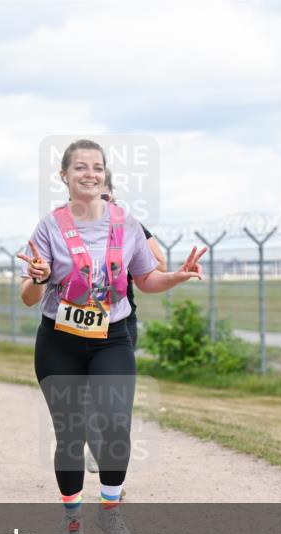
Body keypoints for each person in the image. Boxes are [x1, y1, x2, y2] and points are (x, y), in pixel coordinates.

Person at [19, 139, 206, 534]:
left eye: (97, 167)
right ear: (64, 176)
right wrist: (39, 277)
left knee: (117, 424)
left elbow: (147, 280)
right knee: (70, 433)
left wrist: (176, 276)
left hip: (112, 337)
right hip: (59, 340)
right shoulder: (49, 227)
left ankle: (109, 509)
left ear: (105, 175)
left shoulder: (127, 223)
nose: (90, 174)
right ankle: (72, 519)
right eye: (80, 167)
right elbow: (28, 297)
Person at [86, 169, 166, 476]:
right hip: (76, 320)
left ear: (112, 194)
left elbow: (160, 263)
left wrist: (125, 253)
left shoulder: (127, 224)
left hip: (119, 320)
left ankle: (112, 464)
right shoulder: (65, 225)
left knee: (115, 393)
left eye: (104, 194)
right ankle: (95, 443)